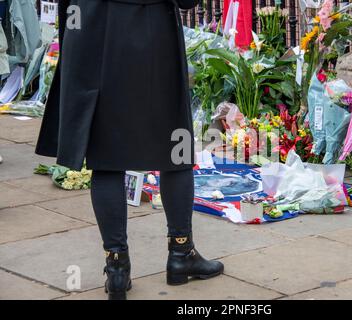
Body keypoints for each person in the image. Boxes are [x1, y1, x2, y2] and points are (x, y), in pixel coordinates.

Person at [35, 0, 223, 300]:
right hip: (151, 29)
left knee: (106, 156)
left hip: (90, 26)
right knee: (174, 148)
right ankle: (181, 252)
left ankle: (117, 268)